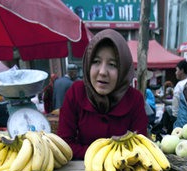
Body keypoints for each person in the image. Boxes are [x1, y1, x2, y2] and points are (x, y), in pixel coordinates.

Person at [57, 29, 148, 159]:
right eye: (96, 62)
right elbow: (64, 145)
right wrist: (105, 156)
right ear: (88, 64)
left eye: (112, 64)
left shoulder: (134, 99)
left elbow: (140, 148)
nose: (103, 72)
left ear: (123, 69)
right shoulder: (76, 92)